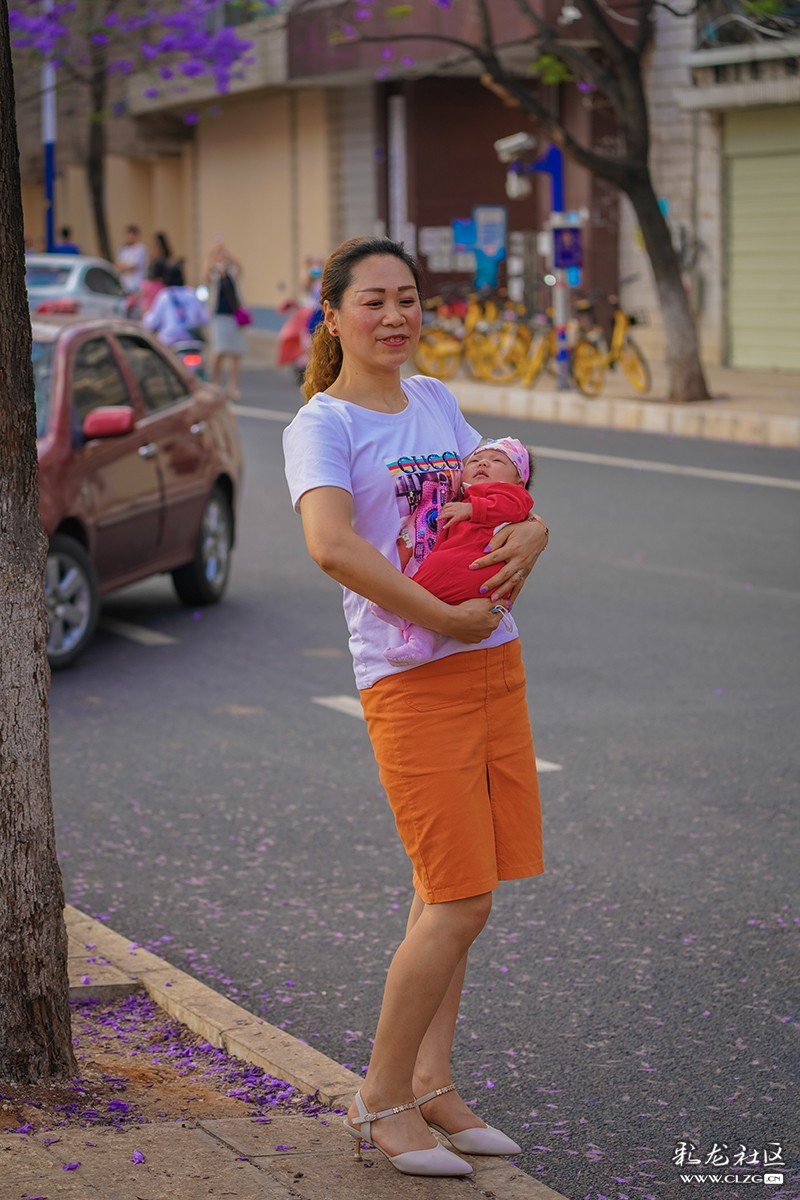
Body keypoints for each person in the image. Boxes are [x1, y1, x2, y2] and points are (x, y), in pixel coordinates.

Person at [282, 236, 548, 1178]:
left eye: (407, 298)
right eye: (373, 301)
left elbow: (497, 489)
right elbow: (331, 545)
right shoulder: (322, 424)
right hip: (411, 679)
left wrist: (537, 529)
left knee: (457, 889)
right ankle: (382, 1098)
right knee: (459, 896)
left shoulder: (433, 398)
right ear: (333, 315)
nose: (395, 316)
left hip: (493, 661)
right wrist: (441, 616)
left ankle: (433, 1083)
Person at [370, 437, 534, 666]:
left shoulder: (509, 494)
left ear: (519, 482)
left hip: (476, 565)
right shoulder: (465, 496)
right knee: (434, 572)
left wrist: (473, 509)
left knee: (432, 576)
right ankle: (419, 643)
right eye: (475, 460)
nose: (483, 463)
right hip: (466, 566)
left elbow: (515, 507)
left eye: (497, 461)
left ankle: (400, 609)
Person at [205, 239, 246, 399]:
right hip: (219, 316)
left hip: (234, 316)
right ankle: (215, 384)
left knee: (236, 352)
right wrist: (212, 257)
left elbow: (240, 268)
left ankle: (232, 386)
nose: (220, 255)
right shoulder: (214, 272)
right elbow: (205, 276)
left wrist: (227, 254)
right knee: (219, 351)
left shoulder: (231, 271)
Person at [143, 262, 208, 347]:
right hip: (191, 339)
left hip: (170, 341)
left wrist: (145, 317)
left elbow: (153, 321)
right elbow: (204, 317)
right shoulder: (191, 293)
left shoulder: (165, 295)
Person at [115, 224, 149, 295]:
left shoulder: (140, 248)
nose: (129, 237)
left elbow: (133, 266)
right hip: (125, 285)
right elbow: (118, 265)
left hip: (137, 285)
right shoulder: (123, 249)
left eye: (131, 235)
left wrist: (124, 267)